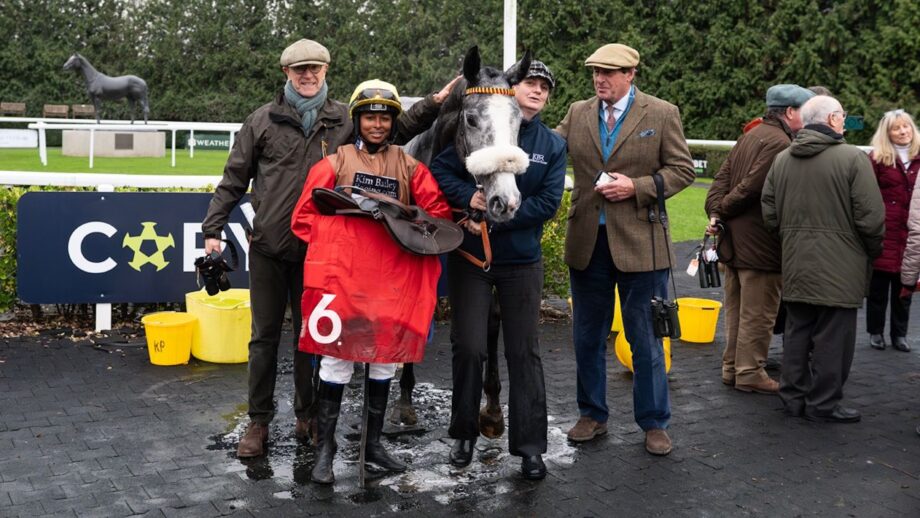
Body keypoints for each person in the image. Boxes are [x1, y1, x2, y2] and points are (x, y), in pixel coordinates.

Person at [201, 38, 457, 458]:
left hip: (322, 256)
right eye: (299, 69)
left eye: (315, 69)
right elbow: (234, 178)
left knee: (315, 339)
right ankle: (258, 422)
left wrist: (432, 103)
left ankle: (309, 417)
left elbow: (392, 127)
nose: (307, 75)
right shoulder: (261, 121)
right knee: (263, 338)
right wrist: (214, 226)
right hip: (268, 246)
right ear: (286, 73)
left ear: (325, 71)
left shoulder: (343, 119)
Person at [290, 79, 452, 484]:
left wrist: (404, 217)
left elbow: (436, 215)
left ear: (392, 121)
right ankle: (325, 452)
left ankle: (373, 445)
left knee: (385, 360)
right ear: (357, 120)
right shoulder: (333, 164)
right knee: (337, 359)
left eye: (384, 117)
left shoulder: (411, 167)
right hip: (344, 283)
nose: (377, 124)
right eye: (369, 117)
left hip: (391, 284)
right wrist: (346, 243)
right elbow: (303, 220)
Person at [556, 43, 694, 455]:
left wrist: (637, 187)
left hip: (642, 244)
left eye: (610, 72)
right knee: (587, 338)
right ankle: (592, 415)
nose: (600, 79)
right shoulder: (578, 112)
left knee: (646, 340)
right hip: (587, 244)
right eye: (596, 72)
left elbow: (682, 170)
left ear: (631, 73)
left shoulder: (661, 113)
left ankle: (654, 423)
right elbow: (549, 152)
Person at [430, 60, 566, 480]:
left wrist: (497, 216)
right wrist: (468, 198)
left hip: (521, 262)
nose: (537, 91)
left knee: (523, 352)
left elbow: (548, 201)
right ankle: (464, 434)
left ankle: (529, 447)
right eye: (530, 83)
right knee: (469, 347)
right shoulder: (477, 126)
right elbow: (440, 171)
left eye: (545, 86)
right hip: (471, 260)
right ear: (510, 87)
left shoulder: (551, 144)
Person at [762, 95, 884, 423]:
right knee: (834, 338)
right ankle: (823, 404)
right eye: (842, 116)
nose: (844, 121)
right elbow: (871, 218)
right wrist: (871, 251)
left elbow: (769, 213)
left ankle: (793, 398)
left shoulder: (783, 159)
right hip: (841, 266)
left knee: (797, 331)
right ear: (831, 120)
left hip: (796, 262)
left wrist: (791, 239)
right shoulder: (852, 159)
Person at [704, 84, 814, 394]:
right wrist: (721, 211)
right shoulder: (781, 143)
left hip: (734, 243)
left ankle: (733, 369)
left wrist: (716, 213)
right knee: (760, 313)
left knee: (736, 310)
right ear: (791, 112)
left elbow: (721, 181)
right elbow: (751, 188)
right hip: (761, 244)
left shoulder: (750, 135)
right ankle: (750, 372)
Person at [865, 109, 920, 352]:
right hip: (885, 231)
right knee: (878, 288)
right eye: (896, 128)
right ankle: (875, 332)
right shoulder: (877, 158)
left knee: (904, 287)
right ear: (887, 133)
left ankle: (900, 334)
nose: (902, 131)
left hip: (911, 232)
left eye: (905, 126)